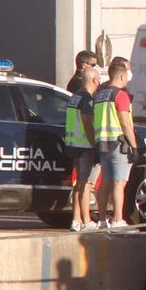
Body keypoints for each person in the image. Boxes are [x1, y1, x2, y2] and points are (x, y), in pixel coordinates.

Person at [92, 58, 138, 228]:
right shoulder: (121, 95)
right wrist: (134, 146)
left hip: (102, 143)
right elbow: (125, 122)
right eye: (126, 77)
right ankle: (118, 219)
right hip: (119, 143)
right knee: (119, 182)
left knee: (105, 182)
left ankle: (102, 220)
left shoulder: (100, 96)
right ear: (121, 77)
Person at [64, 65, 99, 231]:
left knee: (78, 184)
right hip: (85, 145)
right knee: (85, 184)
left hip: (73, 144)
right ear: (94, 80)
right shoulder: (87, 99)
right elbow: (87, 121)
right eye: (98, 78)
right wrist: (94, 143)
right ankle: (86, 220)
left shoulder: (74, 97)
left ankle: (76, 220)